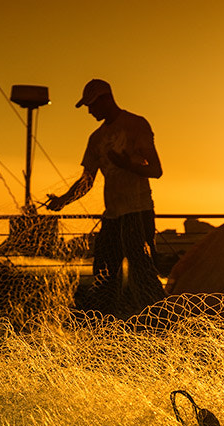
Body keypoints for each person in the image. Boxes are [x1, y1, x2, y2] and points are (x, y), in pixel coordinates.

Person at [46, 79, 166, 317]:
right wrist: (63, 200)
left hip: (138, 212)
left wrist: (126, 164)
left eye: (91, 105)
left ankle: (159, 320)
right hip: (112, 216)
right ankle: (104, 323)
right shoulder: (95, 139)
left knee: (142, 271)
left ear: (106, 99)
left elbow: (156, 170)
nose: (89, 111)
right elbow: (87, 181)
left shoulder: (136, 125)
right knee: (104, 272)